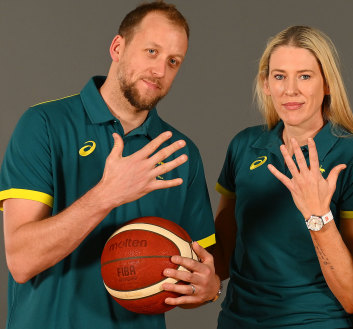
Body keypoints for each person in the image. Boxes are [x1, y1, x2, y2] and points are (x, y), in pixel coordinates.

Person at [0, 2, 220, 329]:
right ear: (118, 47)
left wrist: (209, 288)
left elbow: (194, 272)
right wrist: (107, 195)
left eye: (173, 61)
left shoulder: (181, 152)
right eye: (151, 51)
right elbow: (21, 260)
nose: (160, 70)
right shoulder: (44, 124)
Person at [213, 25, 353, 328]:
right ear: (266, 83)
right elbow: (223, 253)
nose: (290, 89)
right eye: (279, 76)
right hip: (237, 321)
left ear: (326, 84)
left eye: (305, 76)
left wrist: (318, 215)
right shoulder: (244, 146)